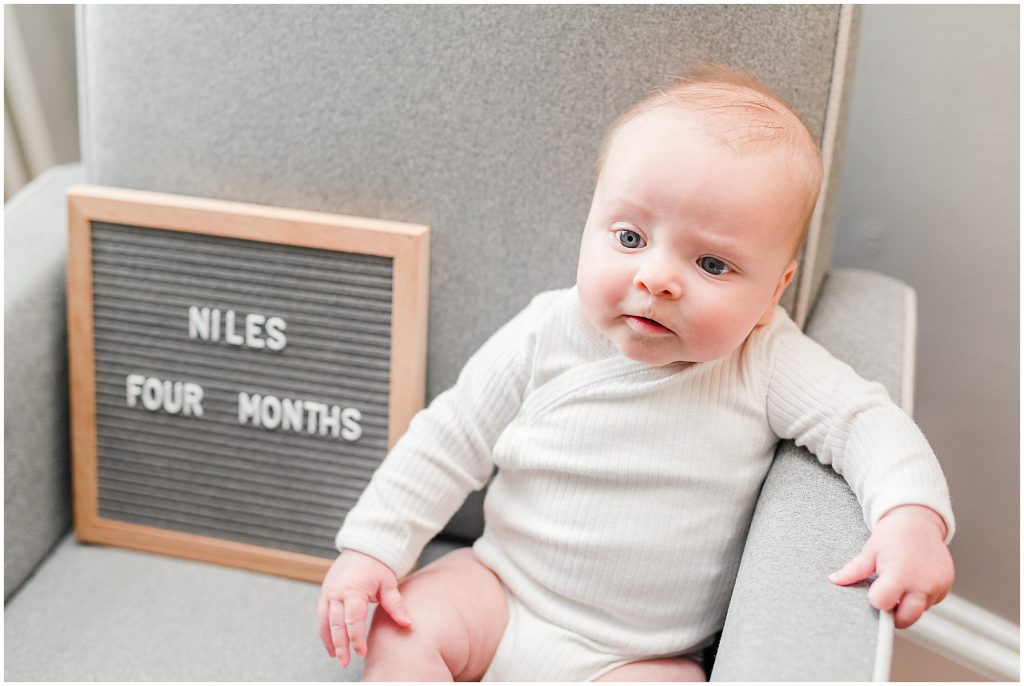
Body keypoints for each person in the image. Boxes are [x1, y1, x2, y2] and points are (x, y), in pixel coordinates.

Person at [317, 63, 955, 682]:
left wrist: (911, 515)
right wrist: (373, 547)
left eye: (711, 265)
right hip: (500, 590)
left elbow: (863, 420)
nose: (656, 278)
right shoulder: (549, 329)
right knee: (404, 627)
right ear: (589, 224)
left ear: (772, 293)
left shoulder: (765, 360)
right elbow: (448, 437)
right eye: (628, 238)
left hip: (639, 654)